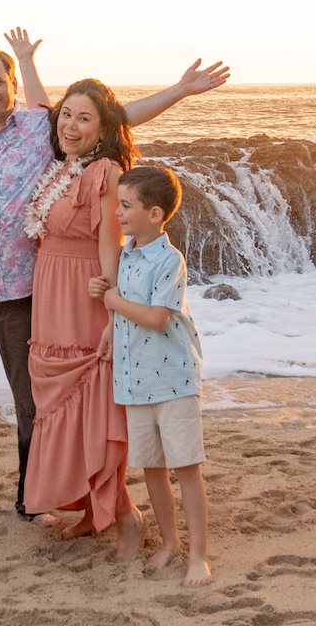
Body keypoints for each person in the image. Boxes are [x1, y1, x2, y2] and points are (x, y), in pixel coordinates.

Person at [0, 34, 229, 530]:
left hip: (39, 290)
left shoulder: (41, 131)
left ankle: (40, 501)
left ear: (9, 84)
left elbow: (115, 116)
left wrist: (177, 92)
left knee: (45, 401)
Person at [20, 78, 143, 554]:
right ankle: (92, 512)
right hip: (50, 286)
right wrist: (27, 63)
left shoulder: (106, 172)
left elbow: (111, 241)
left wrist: (112, 309)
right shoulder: (63, 167)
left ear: (104, 128)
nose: (70, 125)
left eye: (84, 118)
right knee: (55, 397)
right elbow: (38, 105)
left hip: (84, 289)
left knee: (90, 397)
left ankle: (126, 515)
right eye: (66, 114)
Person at [90, 166, 210, 585]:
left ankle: (198, 555)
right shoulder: (126, 253)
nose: (117, 212)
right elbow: (122, 306)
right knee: (153, 468)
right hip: (134, 380)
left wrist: (113, 301)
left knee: (185, 466)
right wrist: (108, 315)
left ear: (155, 213)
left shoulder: (168, 260)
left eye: (125, 205)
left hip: (173, 381)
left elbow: (158, 317)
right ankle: (169, 543)